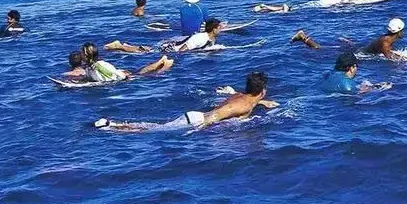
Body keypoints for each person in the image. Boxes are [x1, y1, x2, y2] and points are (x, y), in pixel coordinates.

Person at [95, 71, 278, 131]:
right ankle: (110, 126)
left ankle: (113, 125)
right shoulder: (242, 103)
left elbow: (244, 102)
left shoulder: (245, 98)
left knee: (152, 127)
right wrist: (198, 130)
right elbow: (219, 113)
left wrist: (262, 102)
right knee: (149, 130)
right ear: (262, 91)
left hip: (195, 116)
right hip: (196, 121)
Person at [82, 42, 174, 82]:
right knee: (141, 72)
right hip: (119, 75)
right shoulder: (89, 66)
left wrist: (125, 77)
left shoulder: (99, 65)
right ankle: (161, 62)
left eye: (82, 53)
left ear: (87, 54)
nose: (81, 55)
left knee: (144, 74)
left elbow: (115, 74)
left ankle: (164, 63)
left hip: (124, 77)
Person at [322, 51, 391, 95]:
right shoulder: (348, 86)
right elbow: (352, 93)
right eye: (356, 66)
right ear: (352, 68)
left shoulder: (327, 74)